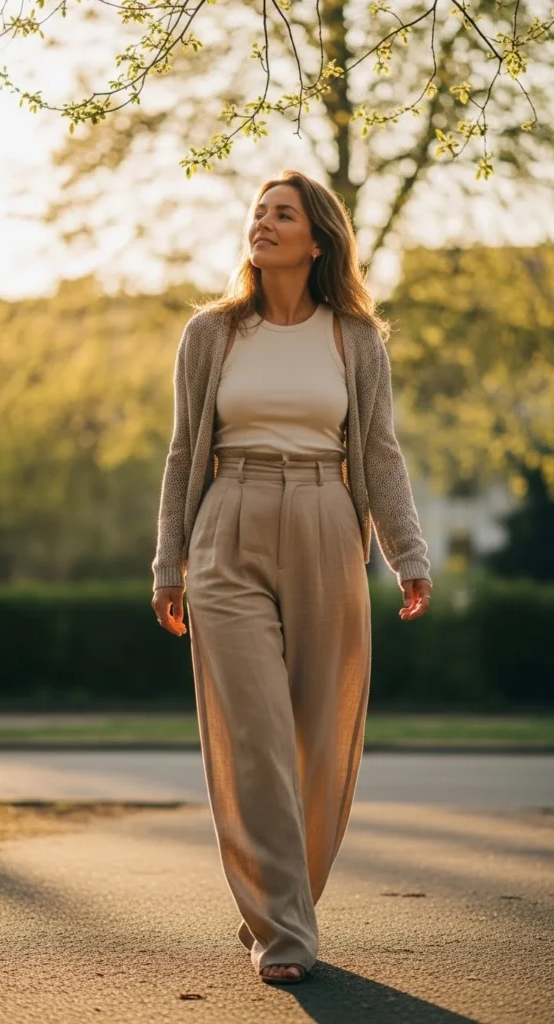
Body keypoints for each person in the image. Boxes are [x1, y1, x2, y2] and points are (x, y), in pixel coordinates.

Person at [151, 169, 432, 985]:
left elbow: (380, 453)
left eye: (283, 214)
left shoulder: (356, 338)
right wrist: (168, 561)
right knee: (256, 734)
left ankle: (279, 897)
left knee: (321, 737)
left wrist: (408, 552)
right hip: (227, 524)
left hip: (324, 522)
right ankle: (284, 930)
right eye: (258, 212)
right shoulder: (211, 333)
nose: (264, 224)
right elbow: (184, 453)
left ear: (317, 241)